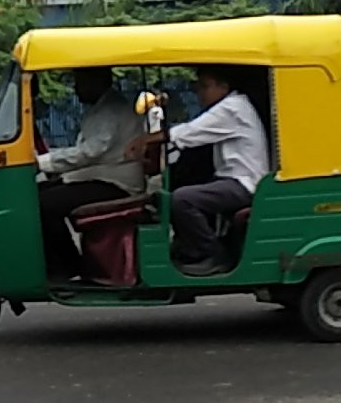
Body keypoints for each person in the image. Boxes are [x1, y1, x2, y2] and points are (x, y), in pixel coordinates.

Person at [36, 67, 145, 279]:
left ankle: (66, 265)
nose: (76, 90)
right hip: (100, 177)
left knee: (42, 205)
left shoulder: (110, 111)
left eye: (80, 83)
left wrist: (44, 163)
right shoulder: (103, 108)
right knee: (36, 195)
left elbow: (91, 151)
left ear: (96, 82)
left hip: (116, 185)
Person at [164, 66, 269, 277]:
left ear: (223, 87)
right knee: (185, 185)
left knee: (182, 199)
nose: (199, 92)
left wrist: (147, 139)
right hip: (231, 179)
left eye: (204, 87)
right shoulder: (231, 105)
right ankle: (189, 248)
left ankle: (213, 254)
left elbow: (189, 132)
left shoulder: (232, 107)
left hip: (243, 183)